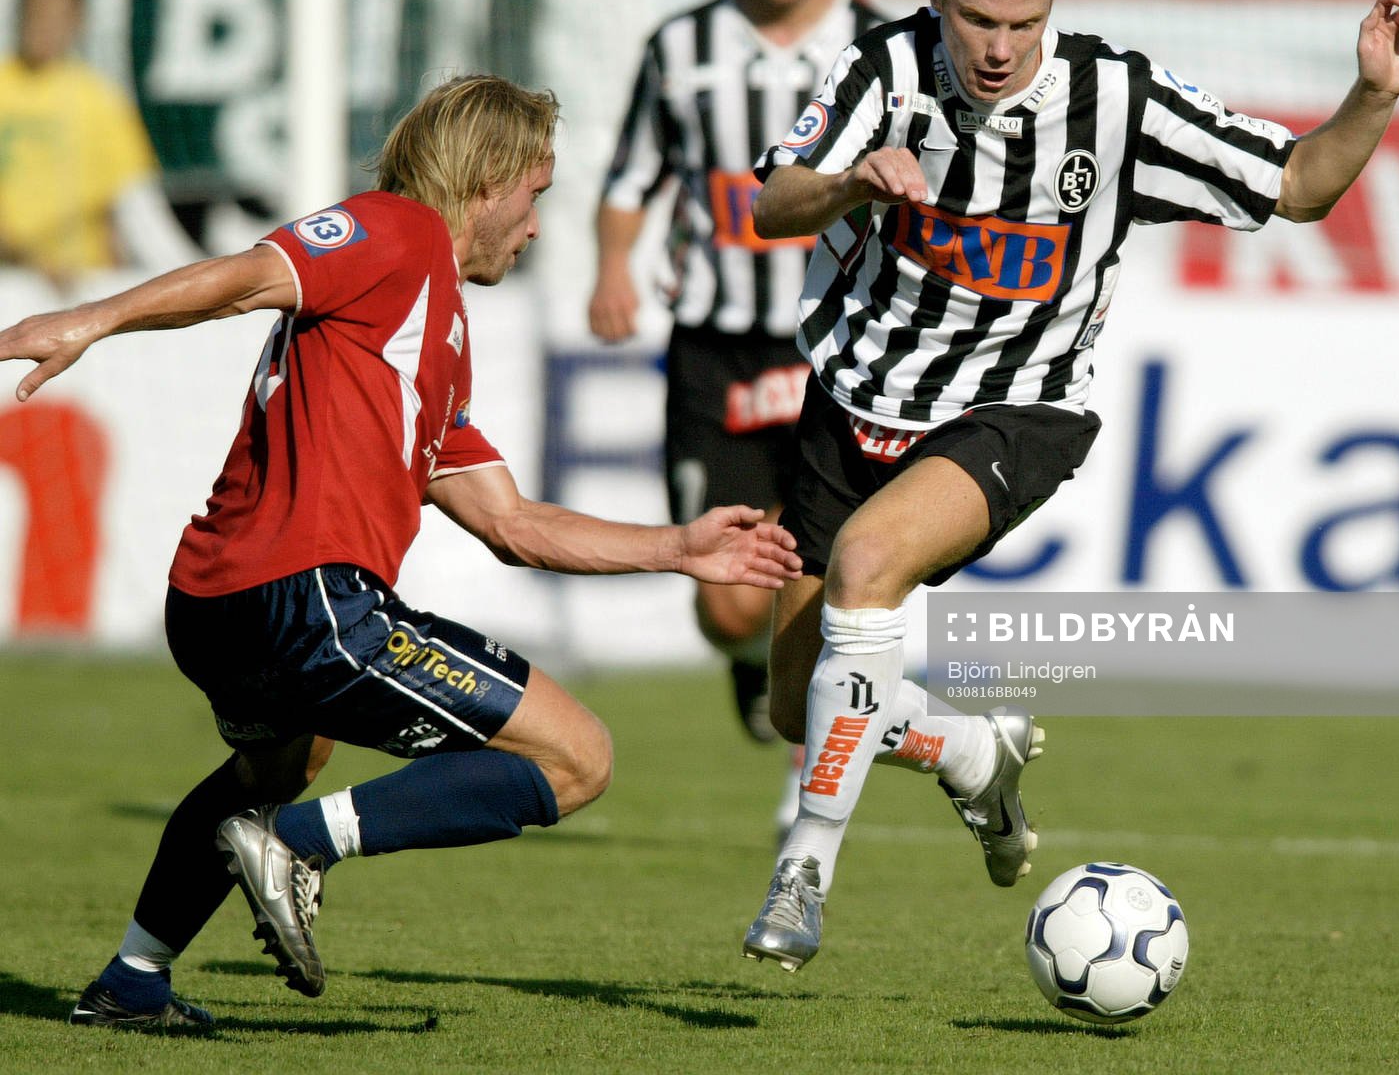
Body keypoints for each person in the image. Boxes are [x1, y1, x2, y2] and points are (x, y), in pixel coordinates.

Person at [0, 74, 802, 1029]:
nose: (537, 226)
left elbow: (509, 521)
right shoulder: (401, 231)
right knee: (579, 757)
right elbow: (249, 274)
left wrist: (677, 547)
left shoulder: (427, 330)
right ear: (490, 178)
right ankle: (298, 846)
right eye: (535, 196)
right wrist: (90, 320)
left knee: (279, 764)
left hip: (215, 604)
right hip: (311, 600)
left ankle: (134, 979)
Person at [737, 0, 1399, 971]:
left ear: (1054, 5)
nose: (999, 47)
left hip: (1016, 406)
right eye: (978, 19)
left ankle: (805, 871)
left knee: (866, 568)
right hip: (852, 402)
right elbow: (771, 201)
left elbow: (1297, 183)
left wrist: (1371, 93)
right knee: (800, 701)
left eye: (1024, 23)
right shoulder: (881, 69)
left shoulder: (1115, 98)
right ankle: (969, 748)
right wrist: (845, 186)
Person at [589, 0, 885, 812]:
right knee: (724, 599)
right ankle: (754, 663)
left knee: (827, 561)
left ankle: (809, 741)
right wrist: (612, 268)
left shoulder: (879, 52)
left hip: (831, 347)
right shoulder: (682, 48)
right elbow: (632, 177)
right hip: (714, 348)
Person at [0, 0, 200, 285]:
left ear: (78, 19)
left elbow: (122, 205)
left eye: (58, 17)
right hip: (11, 277)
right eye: (38, 15)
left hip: (77, 282)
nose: (46, 28)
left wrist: (115, 283)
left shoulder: (100, 97)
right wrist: (28, 260)